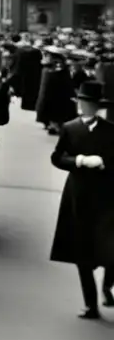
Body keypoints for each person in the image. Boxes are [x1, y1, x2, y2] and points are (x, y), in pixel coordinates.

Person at [48, 80, 114, 319]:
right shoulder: (70, 128)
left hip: (107, 197)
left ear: (96, 106)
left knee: (110, 248)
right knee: (81, 253)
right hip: (78, 196)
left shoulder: (110, 131)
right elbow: (56, 157)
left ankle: (108, 285)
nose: (82, 106)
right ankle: (91, 305)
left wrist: (105, 164)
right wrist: (78, 161)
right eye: (81, 102)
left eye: (87, 103)